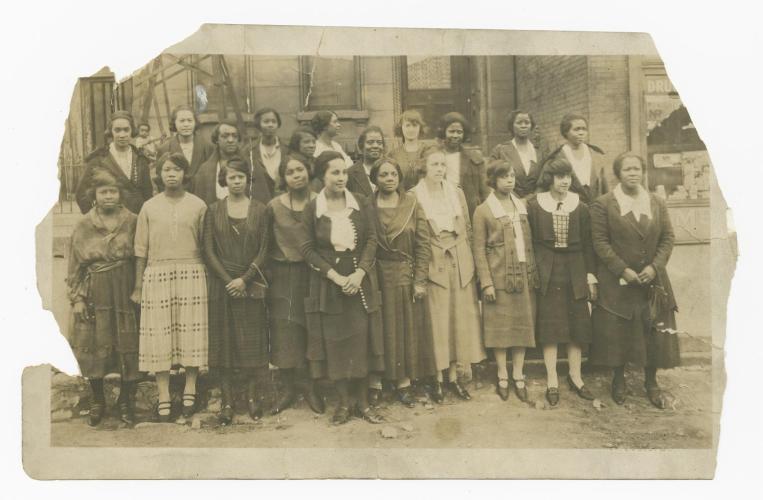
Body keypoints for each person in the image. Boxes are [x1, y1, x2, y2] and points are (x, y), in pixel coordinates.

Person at [299, 151, 385, 425]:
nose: (340, 177)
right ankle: (343, 404)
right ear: (322, 176)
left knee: (361, 340)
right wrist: (334, 276)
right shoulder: (313, 208)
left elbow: (371, 240)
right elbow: (307, 249)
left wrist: (360, 273)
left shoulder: (359, 202)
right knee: (335, 344)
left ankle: (362, 403)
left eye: (344, 172)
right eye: (334, 172)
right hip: (330, 284)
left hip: (359, 281)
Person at [589, 153, 680, 409]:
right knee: (619, 331)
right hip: (619, 280)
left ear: (643, 172)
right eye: (627, 169)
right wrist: (622, 270)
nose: (633, 173)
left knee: (653, 331)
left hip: (653, 279)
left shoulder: (656, 202)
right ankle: (618, 380)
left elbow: (668, 238)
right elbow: (600, 242)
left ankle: (651, 382)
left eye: (637, 169)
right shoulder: (604, 204)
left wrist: (654, 267)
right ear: (618, 174)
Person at [131, 153, 209, 422]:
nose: (171, 174)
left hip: (191, 271)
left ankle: (191, 387)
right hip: (157, 273)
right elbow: (140, 250)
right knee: (159, 334)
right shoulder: (149, 207)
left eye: (177, 169)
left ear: (185, 174)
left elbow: (205, 246)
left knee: (191, 332)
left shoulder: (198, 206)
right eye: (166, 170)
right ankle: (163, 394)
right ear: (160, 175)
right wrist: (138, 286)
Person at [412, 145, 485, 403]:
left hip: (459, 260)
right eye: (434, 165)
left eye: (443, 165)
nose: (439, 170)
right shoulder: (414, 196)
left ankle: (454, 377)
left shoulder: (456, 193)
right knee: (438, 322)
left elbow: (466, 226)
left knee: (457, 322)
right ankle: (437, 379)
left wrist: (464, 254)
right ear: (423, 167)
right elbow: (417, 235)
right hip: (434, 261)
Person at [67, 168, 141, 426]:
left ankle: (125, 401)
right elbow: (75, 264)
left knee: (128, 342)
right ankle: (97, 399)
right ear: (94, 195)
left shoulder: (132, 220)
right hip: (94, 290)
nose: (109, 196)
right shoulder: (84, 224)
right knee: (94, 344)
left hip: (125, 285)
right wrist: (76, 298)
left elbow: (141, 255)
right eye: (103, 192)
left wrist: (139, 288)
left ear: (120, 194)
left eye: (113, 191)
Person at [203, 158, 271, 424]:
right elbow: (208, 250)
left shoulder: (260, 210)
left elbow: (265, 247)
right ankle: (228, 401)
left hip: (250, 283)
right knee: (225, 345)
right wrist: (228, 280)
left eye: (241, 176)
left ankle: (253, 398)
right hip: (223, 287)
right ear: (224, 180)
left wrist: (245, 278)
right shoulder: (213, 210)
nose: (237, 181)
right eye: (232, 177)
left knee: (251, 345)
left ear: (247, 180)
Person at [526, 157, 598, 406]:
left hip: (575, 268)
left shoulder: (581, 207)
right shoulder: (535, 206)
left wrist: (590, 275)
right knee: (551, 328)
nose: (565, 181)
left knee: (577, 327)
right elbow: (531, 242)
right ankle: (552, 379)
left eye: (568, 176)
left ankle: (575, 377)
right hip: (548, 269)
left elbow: (588, 245)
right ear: (550, 179)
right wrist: (535, 270)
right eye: (559, 177)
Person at [368, 158, 436, 407]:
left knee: (404, 328)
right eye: (383, 174)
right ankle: (375, 382)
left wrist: (420, 280)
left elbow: (423, 244)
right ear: (374, 179)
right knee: (379, 328)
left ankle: (403, 382)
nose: (389, 178)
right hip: (375, 275)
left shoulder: (412, 204)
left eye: (393, 174)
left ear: (399, 177)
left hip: (404, 274)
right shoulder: (367, 206)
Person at [472, 160, 539, 402]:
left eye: (512, 176)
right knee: (501, 329)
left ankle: (518, 374)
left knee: (522, 326)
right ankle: (502, 374)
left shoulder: (521, 206)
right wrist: (487, 282)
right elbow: (478, 250)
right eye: (504, 177)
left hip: (523, 274)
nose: (509, 180)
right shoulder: (483, 211)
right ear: (493, 180)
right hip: (498, 277)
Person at [265, 155, 324, 415]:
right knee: (285, 328)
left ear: (308, 172)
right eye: (290, 172)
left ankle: (311, 386)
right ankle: (289, 387)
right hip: (284, 273)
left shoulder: (320, 202)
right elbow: (266, 243)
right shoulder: (274, 206)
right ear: (283, 178)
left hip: (314, 272)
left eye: (300, 169)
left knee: (312, 326)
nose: (296, 175)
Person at [76, 110, 154, 215]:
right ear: (111, 131)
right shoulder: (98, 159)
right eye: (117, 130)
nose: (122, 135)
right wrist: (96, 219)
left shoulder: (140, 159)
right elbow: (82, 194)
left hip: (136, 220)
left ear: (132, 131)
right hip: (108, 220)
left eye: (126, 130)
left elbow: (147, 194)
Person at [542, 113, 608, 206]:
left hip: (595, 208)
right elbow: (546, 186)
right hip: (569, 207)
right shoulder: (557, 156)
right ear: (566, 132)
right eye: (576, 129)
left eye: (584, 129)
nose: (581, 133)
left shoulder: (595, 154)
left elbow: (604, 186)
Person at [437, 112, 489, 217]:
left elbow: (485, 190)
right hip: (443, 210)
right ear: (444, 132)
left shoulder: (474, 158)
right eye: (451, 131)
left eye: (459, 132)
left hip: (470, 212)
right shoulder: (434, 157)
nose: (455, 135)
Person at [489, 110, 543, 198]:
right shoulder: (500, 150)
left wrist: (533, 198)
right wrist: (516, 200)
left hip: (536, 203)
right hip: (508, 201)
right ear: (511, 126)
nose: (523, 126)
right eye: (519, 123)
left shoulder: (539, 152)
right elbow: (492, 179)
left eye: (527, 122)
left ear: (531, 126)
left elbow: (545, 180)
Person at [191, 119, 243, 205]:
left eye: (234, 136)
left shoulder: (250, 165)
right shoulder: (205, 170)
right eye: (225, 136)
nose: (230, 140)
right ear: (216, 140)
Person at [156, 104, 215, 179]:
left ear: (195, 122)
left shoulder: (208, 147)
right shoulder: (164, 149)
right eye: (182, 121)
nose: (186, 124)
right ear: (174, 123)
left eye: (190, 120)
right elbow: (160, 179)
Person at [247, 107, 289, 202]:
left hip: (284, 200)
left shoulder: (287, 148)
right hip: (259, 201)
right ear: (259, 125)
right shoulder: (249, 150)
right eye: (266, 122)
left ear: (278, 125)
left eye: (274, 122)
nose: (270, 125)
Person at [389, 110, 427, 191]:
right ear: (401, 127)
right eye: (407, 125)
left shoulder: (427, 151)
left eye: (415, 125)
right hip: (402, 198)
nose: (411, 129)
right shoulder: (393, 154)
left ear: (420, 128)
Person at [347, 126, 385, 197]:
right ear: (362, 146)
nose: (375, 146)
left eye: (379, 142)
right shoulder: (350, 174)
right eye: (370, 142)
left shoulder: (392, 171)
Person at [287, 127, 323, 193]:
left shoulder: (317, 162)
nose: (312, 145)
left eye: (314, 142)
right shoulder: (288, 163)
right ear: (296, 144)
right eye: (306, 142)